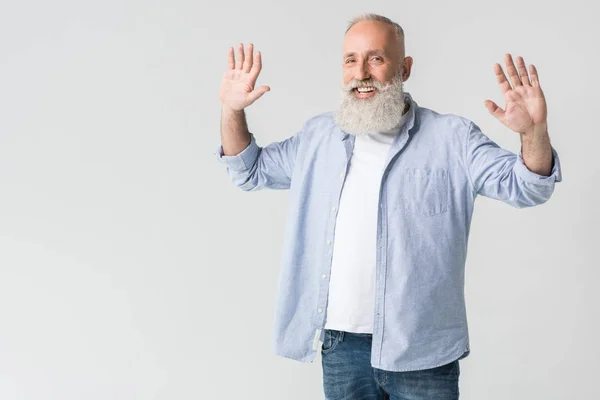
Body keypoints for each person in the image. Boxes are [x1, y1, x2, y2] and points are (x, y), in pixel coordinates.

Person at [216, 13, 562, 400]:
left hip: (423, 354)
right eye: (351, 60)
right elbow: (249, 170)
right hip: (341, 348)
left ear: (405, 68)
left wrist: (535, 132)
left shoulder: (452, 138)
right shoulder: (318, 138)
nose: (361, 72)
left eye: (376, 59)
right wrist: (232, 110)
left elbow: (528, 186)